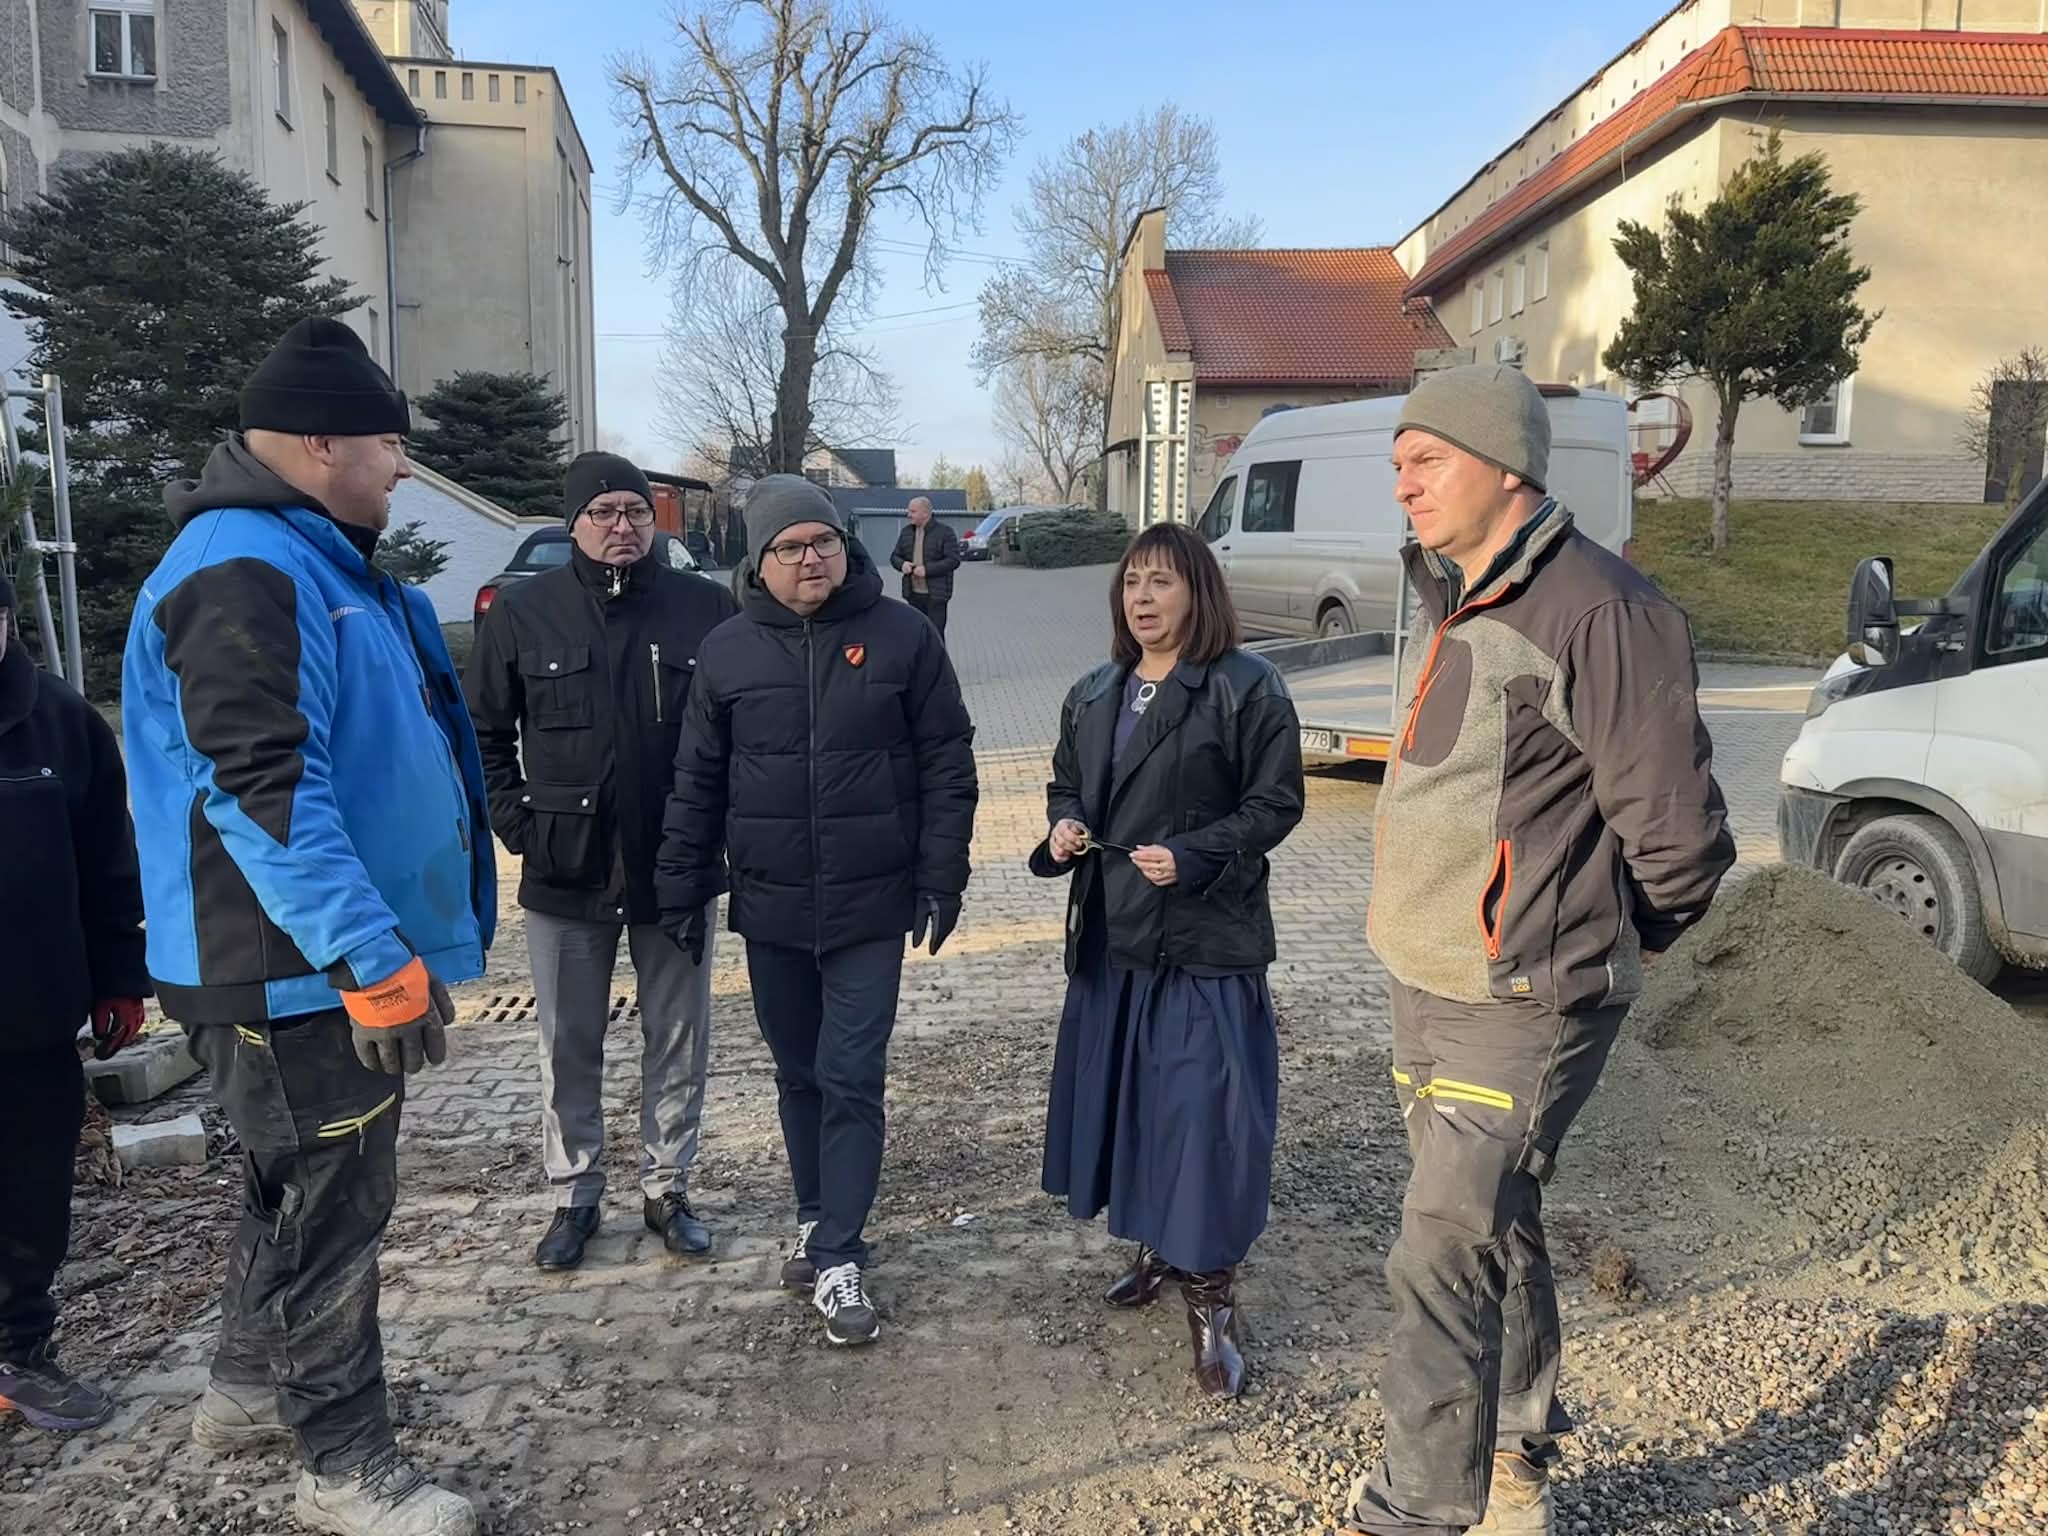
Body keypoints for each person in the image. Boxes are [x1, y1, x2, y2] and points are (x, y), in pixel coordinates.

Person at [1345, 365, 1734, 1536]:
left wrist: (1623, 937)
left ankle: (1418, 1510)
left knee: (1435, 1255)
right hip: (1427, 980)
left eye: (1426, 460)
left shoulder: (1599, 612)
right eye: (1398, 462)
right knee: (1492, 1219)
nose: (1400, 480)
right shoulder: (1457, 589)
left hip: (1520, 992)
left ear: (1504, 467)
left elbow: (1677, 832)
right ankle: (1514, 1446)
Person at [122, 317, 494, 1536]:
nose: (399, 465)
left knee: (291, 1188)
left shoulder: (312, 559)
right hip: (293, 965)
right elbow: (263, 787)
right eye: (389, 442)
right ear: (319, 440)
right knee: (335, 1207)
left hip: (304, 961)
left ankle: (241, 1391)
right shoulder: (244, 568)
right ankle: (344, 1464)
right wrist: (370, 957)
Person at [657, 475, 978, 1348]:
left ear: (845, 545)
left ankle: (841, 1252)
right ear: (760, 562)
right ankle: (812, 1214)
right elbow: (697, 782)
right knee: (797, 1074)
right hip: (772, 907)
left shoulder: (902, 634)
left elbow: (948, 758)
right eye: (792, 547)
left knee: (850, 1075)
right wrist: (680, 885)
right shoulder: (726, 652)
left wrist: (941, 877)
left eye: (824, 542)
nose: (812, 560)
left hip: (872, 906)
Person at [1031, 524, 1304, 1399]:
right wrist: (1065, 825)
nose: (1142, 599)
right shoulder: (1092, 689)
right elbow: (1067, 782)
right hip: (1115, 938)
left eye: (1162, 583)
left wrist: (1193, 854)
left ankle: (1213, 1294)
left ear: (1200, 593)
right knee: (1137, 1107)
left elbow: (1275, 804)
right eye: (1131, 584)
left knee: (1202, 1118)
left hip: (1203, 941)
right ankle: (1157, 1243)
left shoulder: (1246, 687)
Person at [466, 451, 738, 1271]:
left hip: (676, 863)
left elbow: (735, 736)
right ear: (574, 524)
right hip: (565, 869)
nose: (621, 526)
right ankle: (574, 1195)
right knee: (567, 1042)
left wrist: (717, 836)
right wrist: (520, 826)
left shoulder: (705, 608)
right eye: (603, 513)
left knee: (679, 1036)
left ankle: (668, 1188)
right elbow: (481, 738)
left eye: (634, 511)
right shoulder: (523, 612)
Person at [0, 575, 149, 1433]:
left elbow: (108, 863)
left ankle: (20, 1354)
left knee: (29, 1195)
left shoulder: (61, 722)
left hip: (30, 1014)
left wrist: (119, 977)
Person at [889, 496, 962, 641]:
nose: (908, 514)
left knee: (935, 636)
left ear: (925, 513)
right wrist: (902, 565)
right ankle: (920, 664)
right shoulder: (906, 532)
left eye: (913, 511)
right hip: (913, 594)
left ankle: (939, 664)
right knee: (917, 635)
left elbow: (953, 560)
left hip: (936, 596)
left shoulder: (945, 532)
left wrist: (927, 570)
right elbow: (894, 556)